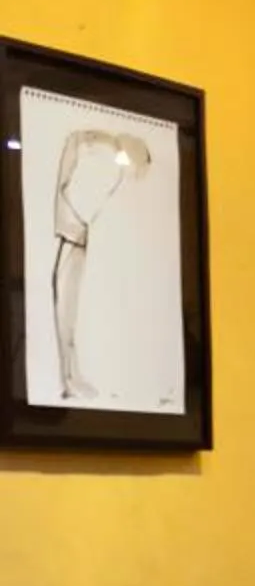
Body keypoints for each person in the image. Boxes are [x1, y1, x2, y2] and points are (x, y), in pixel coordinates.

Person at [46, 127, 153, 403]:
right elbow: (79, 204)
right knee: (71, 317)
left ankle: (75, 382)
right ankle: (73, 382)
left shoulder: (95, 151)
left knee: (72, 317)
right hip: (81, 245)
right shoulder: (100, 155)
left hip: (84, 245)